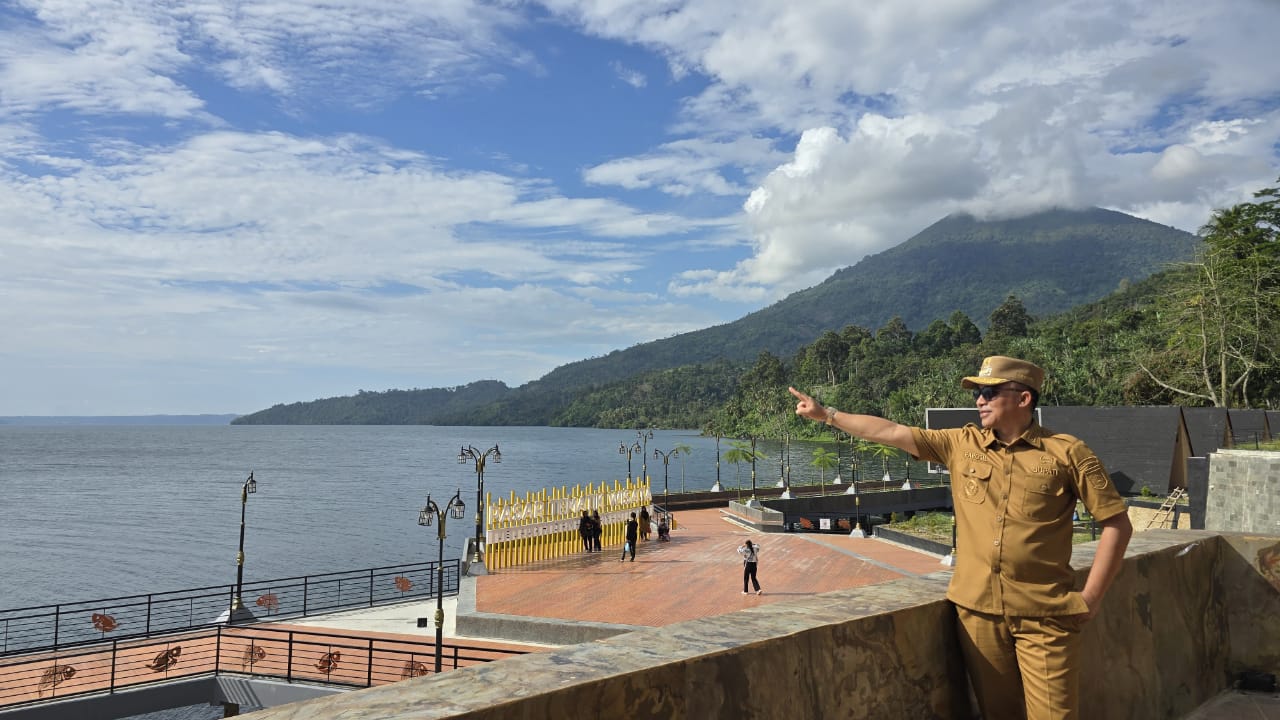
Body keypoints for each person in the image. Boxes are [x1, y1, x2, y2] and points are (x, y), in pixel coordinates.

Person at [790, 355, 1132, 720]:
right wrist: (827, 415)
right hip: (977, 614)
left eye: (990, 392)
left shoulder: (1068, 453)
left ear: (1023, 398)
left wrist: (1091, 598)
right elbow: (890, 432)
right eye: (978, 393)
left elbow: (1117, 524)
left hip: (1044, 615)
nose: (979, 400)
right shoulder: (960, 444)